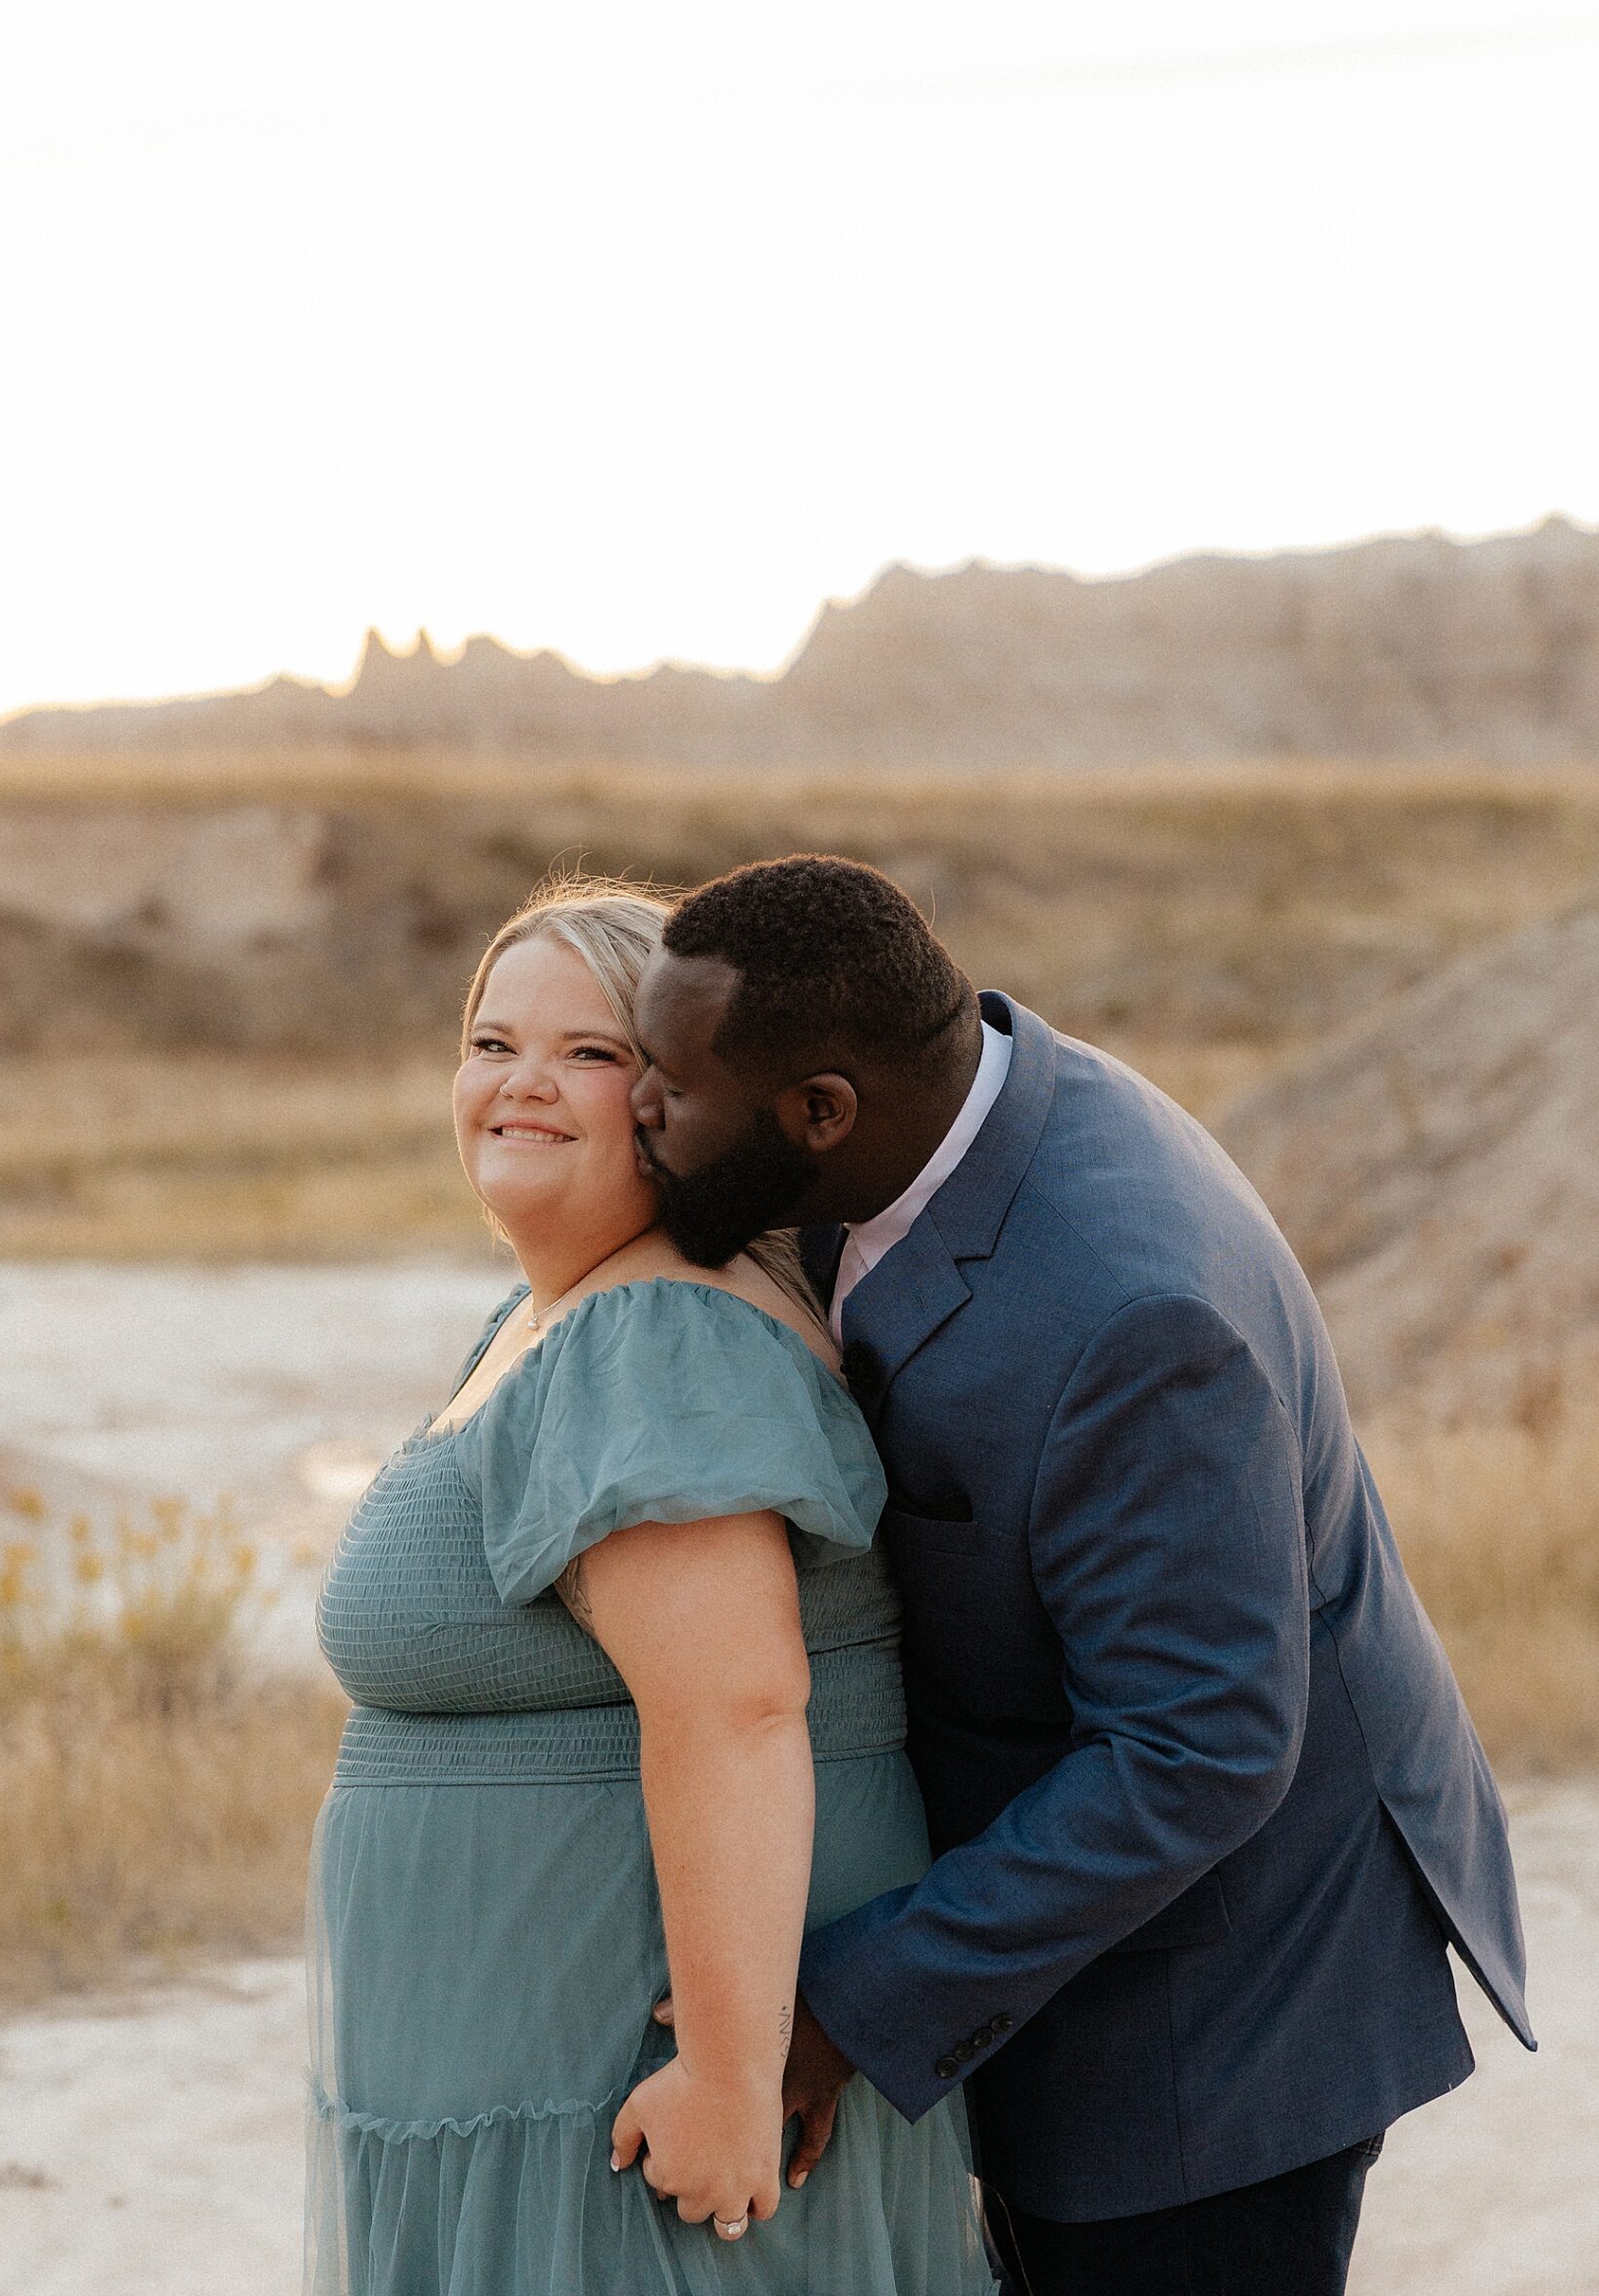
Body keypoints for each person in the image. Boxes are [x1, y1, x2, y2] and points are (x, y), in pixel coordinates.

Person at [630, 853, 1535, 2296]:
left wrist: (846, 2014)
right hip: (1124, 1942)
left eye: (669, 1085)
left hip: (1214, 2026)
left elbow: (1202, 1746)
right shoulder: (952, 1118)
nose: (638, 1108)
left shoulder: (1129, 1317)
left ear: (821, 1112)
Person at [303, 879, 995, 2296]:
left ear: (682, 1099)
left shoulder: (656, 1335)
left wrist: (733, 2081)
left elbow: (738, 1708)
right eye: (492, 1044)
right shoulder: (559, 1314)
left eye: (592, 1052)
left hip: (621, 2119)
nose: (523, 1084)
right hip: (524, 2104)